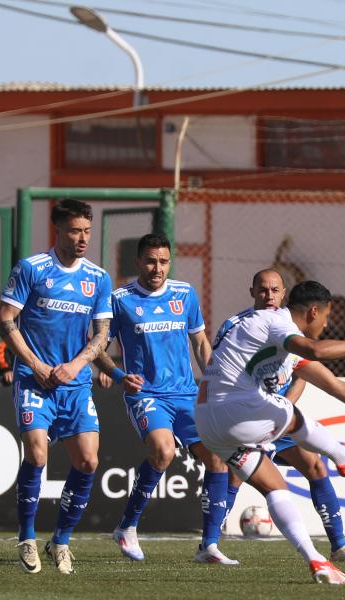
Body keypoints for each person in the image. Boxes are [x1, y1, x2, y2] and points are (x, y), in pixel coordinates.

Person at [194, 280, 345, 584]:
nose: (326, 324)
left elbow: (335, 386)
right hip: (235, 410)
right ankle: (343, 454)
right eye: (326, 318)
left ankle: (317, 561)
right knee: (287, 410)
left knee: (275, 487)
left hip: (210, 421)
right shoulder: (277, 324)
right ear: (314, 311)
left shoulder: (280, 341)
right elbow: (316, 349)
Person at [94, 233, 237, 565]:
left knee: (217, 460)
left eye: (163, 261)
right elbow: (97, 347)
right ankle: (127, 527)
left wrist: (217, 382)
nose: (156, 268)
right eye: (150, 260)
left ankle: (209, 546)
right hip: (146, 394)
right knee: (163, 450)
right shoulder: (120, 299)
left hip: (187, 393)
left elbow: (200, 343)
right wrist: (117, 375)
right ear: (138, 262)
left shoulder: (184, 293)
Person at [0, 199, 113, 575]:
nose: (82, 238)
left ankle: (59, 541)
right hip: (34, 379)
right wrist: (37, 365)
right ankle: (27, 537)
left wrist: (77, 365)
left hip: (75, 384)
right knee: (38, 454)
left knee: (88, 461)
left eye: (87, 231)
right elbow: (5, 320)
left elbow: (102, 333)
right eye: (75, 231)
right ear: (57, 231)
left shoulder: (97, 277)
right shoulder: (31, 268)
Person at [235, 270, 345, 563]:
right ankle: (209, 545)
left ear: (284, 295)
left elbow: (310, 375)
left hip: (277, 419)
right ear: (252, 292)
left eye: (275, 290)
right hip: (247, 416)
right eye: (263, 290)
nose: (269, 296)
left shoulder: (291, 333)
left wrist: (283, 407)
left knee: (315, 466)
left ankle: (339, 545)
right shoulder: (244, 326)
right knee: (232, 475)